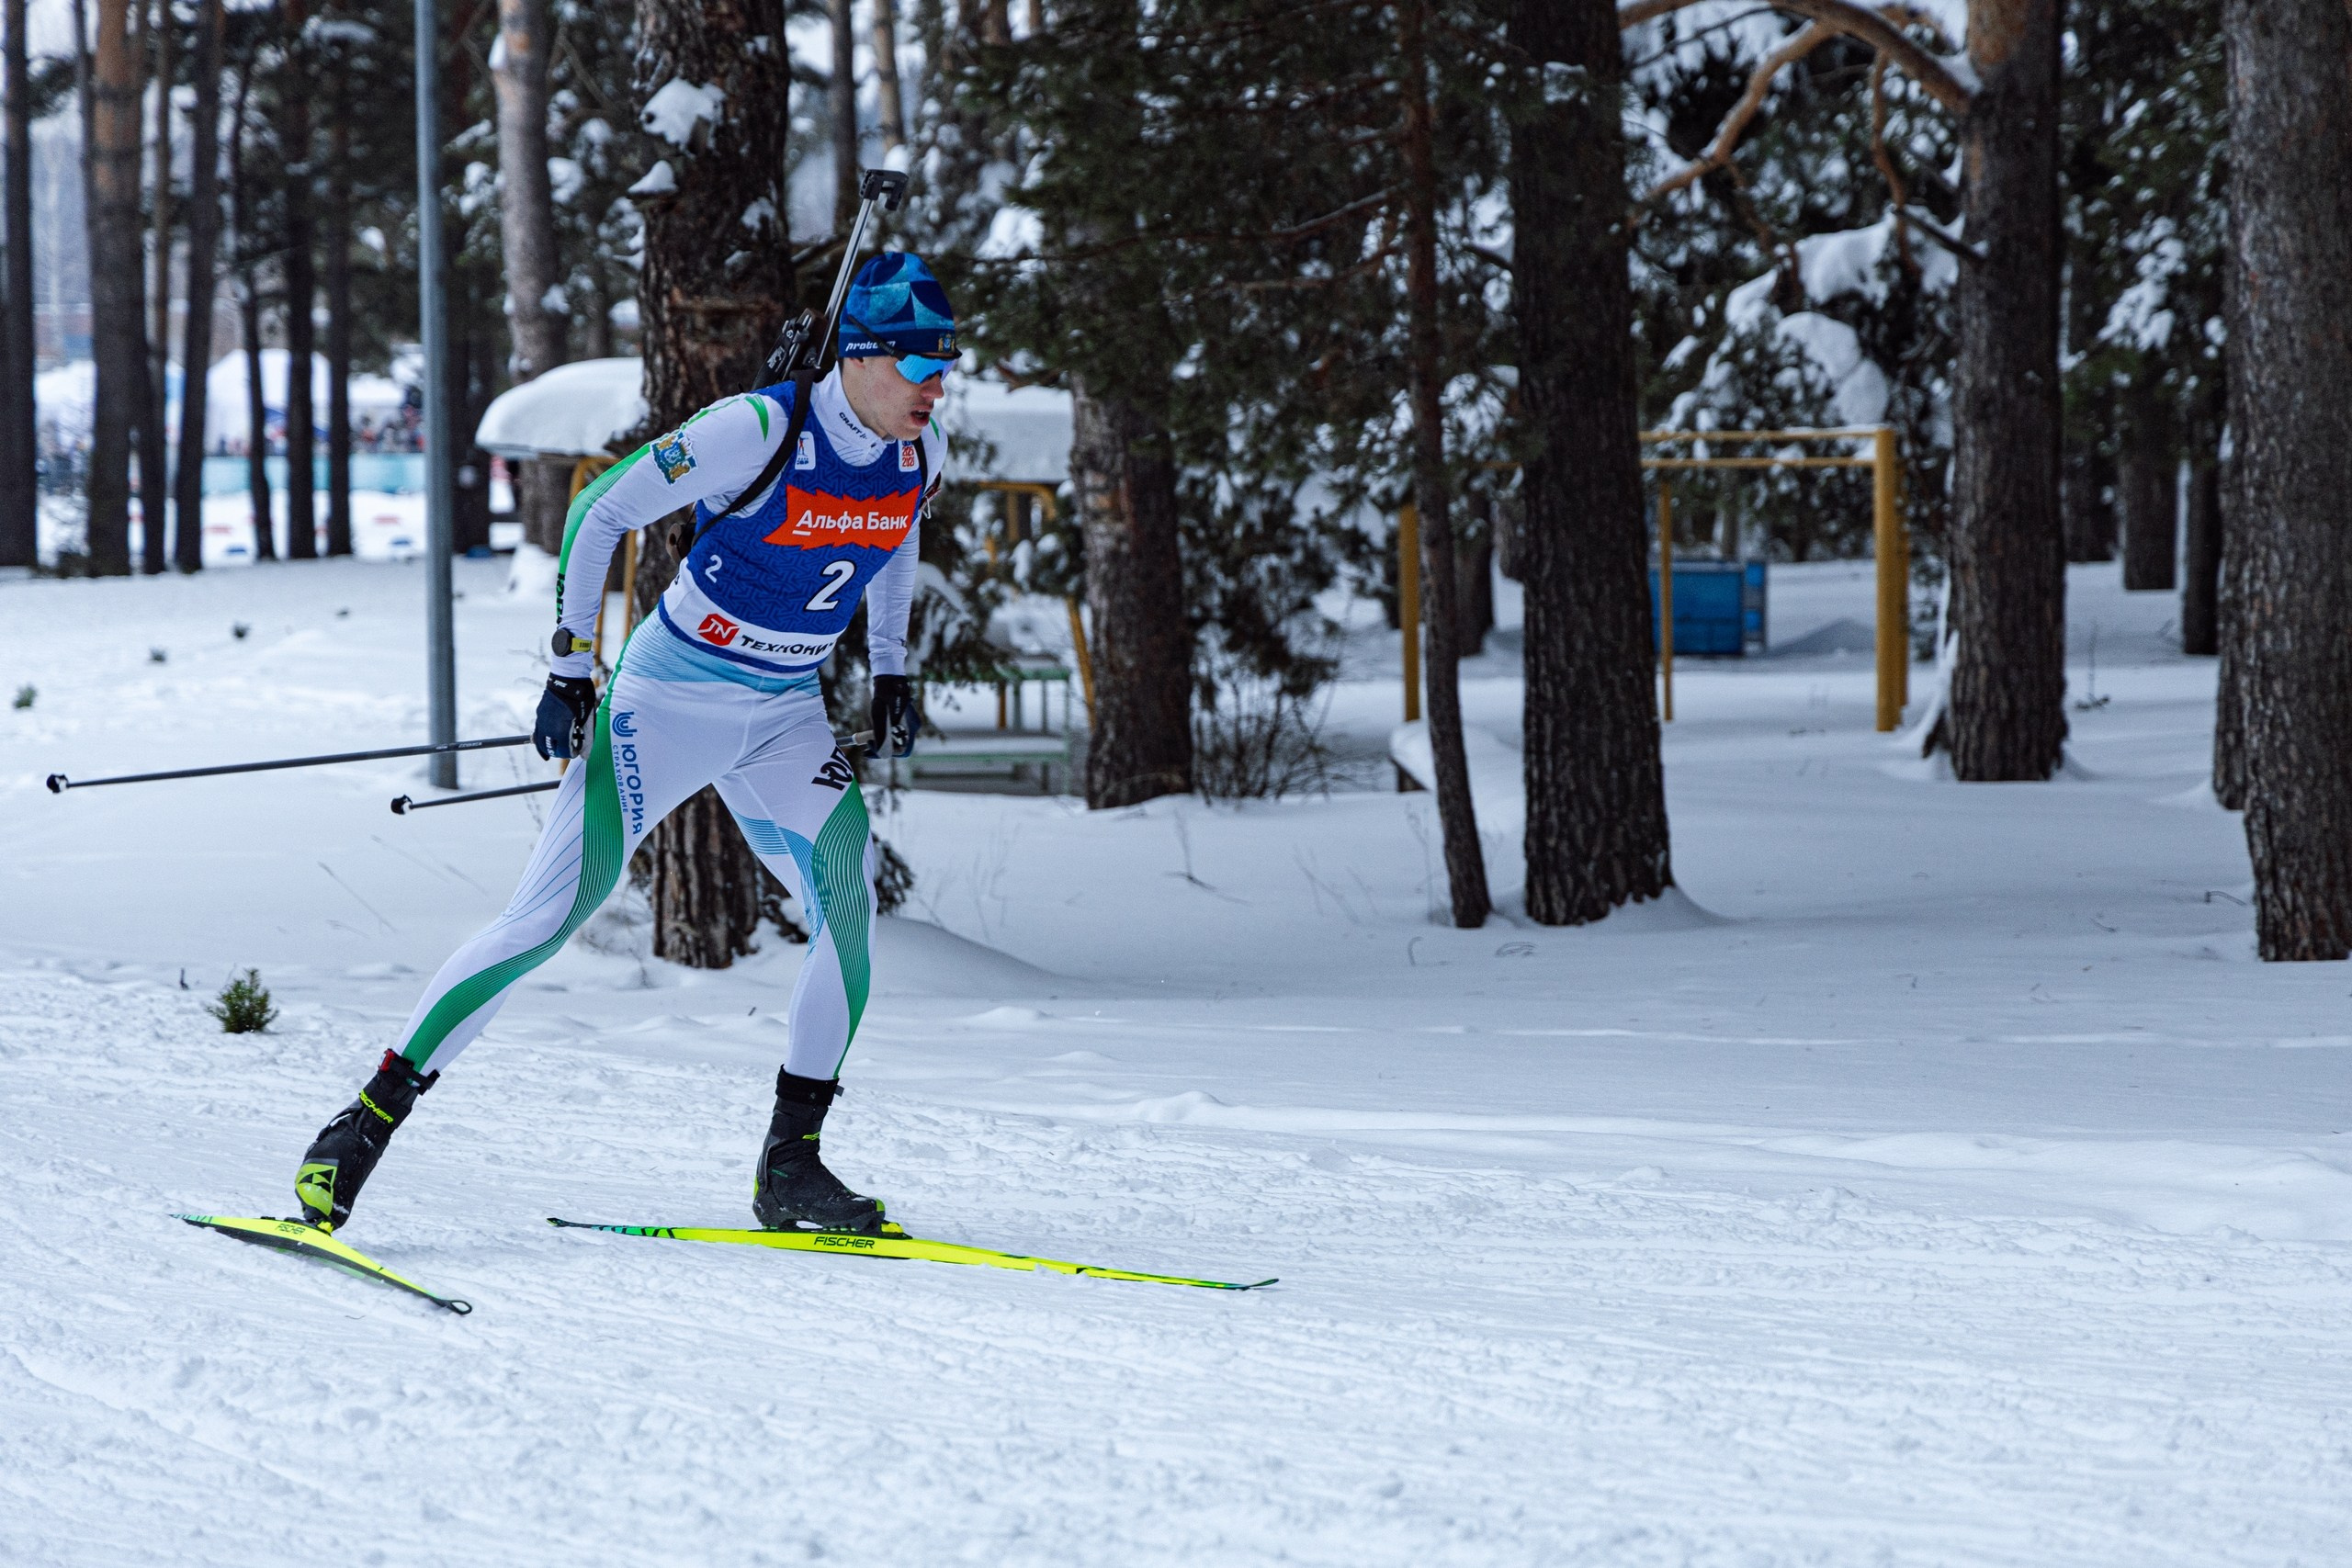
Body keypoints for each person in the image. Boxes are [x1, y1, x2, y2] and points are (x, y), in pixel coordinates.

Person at [290, 254, 958, 1239]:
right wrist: (569, 665)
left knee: (844, 905)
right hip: (672, 696)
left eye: (945, 364)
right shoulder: (758, 429)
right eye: (916, 364)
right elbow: (602, 507)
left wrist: (893, 665)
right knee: (548, 917)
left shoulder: (920, 449)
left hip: (783, 710)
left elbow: (895, 536)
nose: (936, 386)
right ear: (857, 359)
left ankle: (791, 1168)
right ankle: (365, 1125)